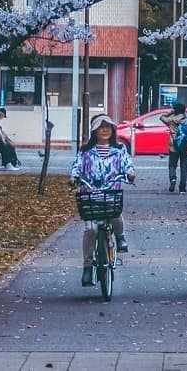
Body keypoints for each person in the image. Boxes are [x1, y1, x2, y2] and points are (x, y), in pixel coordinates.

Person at [69, 113, 136, 286]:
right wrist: (74, 177)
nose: (105, 130)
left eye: (108, 127)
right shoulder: (85, 151)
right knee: (91, 229)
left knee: (115, 215)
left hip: (111, 193)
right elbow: (77, 166)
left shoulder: (120, 149)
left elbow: (127, 164)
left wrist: (130, 173)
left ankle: (120, 237)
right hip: (90, 195)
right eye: (101, 127)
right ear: (94, 130)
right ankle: (87, 267)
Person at [160, 102, 187, 193]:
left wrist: (169, 113)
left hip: (173, 145)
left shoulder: (171, 120)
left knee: (172, 165)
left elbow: (161, 117)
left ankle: (173, 179)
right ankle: (182, 187)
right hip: (184, 146)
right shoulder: (186, 120)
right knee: (184, 167)